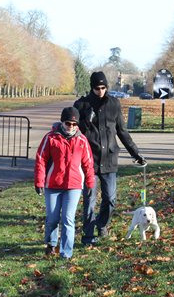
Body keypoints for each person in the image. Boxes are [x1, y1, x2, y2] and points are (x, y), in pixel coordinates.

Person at [73, 72, 146, 244]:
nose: (101, 91)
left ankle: (102, 223)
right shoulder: (81, 104)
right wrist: (85, 122)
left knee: (110, 199)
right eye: (97, 88)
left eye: (104, 87)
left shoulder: (114, 103)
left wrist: (136, 154)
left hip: (110, 159)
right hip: (89, 161)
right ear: (92, 87)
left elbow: (122, 131)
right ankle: (88, 236)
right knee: (89, 200)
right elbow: (73, 132)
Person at [34, 107, 94, 259]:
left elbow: (88, 162)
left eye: (74, 124)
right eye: (68, 123)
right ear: (62, 122)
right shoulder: (51, 138)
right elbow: (41, 159)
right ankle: (51, 243)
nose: (71, 127)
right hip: (53, 184)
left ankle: (66, 253)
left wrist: (90, 182)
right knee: (52, 218)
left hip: (73, 185)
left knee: (68, 219)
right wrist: (39, 181)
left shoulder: (82, 140)